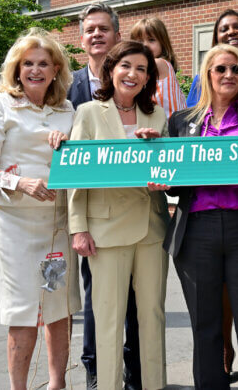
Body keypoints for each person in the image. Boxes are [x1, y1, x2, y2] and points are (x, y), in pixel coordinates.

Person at [157, 44, 238, 389]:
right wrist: (164, 177)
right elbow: (176, 183)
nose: (229, 76)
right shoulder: (182, 121)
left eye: (236, 69)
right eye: (221, 69)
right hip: (196, 232)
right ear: (207, 75)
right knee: (205, 326)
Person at [0, 27, 81, 390]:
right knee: (22, 312)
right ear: (17, 69)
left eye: (43, 63)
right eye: (28, 63)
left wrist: (68, 142)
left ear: (55, 69)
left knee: (57, 309)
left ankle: (56, 384)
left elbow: (83, 157)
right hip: (14, 225)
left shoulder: (68, 110)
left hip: (57, 225)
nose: (35, 70)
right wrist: (21, 183)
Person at [68, 41, 170, 390]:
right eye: (126, 65)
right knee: (108, 320)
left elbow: (169, 173)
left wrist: (160, 165)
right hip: (105, 230)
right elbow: (77, 175)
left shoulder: (158, 115)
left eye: (142, 69)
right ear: (111, 70)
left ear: (148, 78)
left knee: (152, 318)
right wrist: (78, 228)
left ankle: (155, 385)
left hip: (151, 229)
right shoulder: (88, 113)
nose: (133, 74)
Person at [67, 2, 142, 390]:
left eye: (103, 29)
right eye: (89, 29)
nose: (96, 34)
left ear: (117, 35)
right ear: (82, 38)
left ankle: (133, 371)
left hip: (140, 213)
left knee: (136, 300)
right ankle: (96, 370)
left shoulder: (134, 76)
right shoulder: (69, 84)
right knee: (99, 299)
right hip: (95, 216)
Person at [186, 9, 238, 107]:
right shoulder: (203, 79)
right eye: (224, 29)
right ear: (217, 39)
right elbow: (192, 115)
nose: (231, 32)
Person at [130, 17, 187, 117]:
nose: (145, 45)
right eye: (139, 42)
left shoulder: (158, 64)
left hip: (170, 126)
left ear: (163, 44)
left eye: (151, 40)